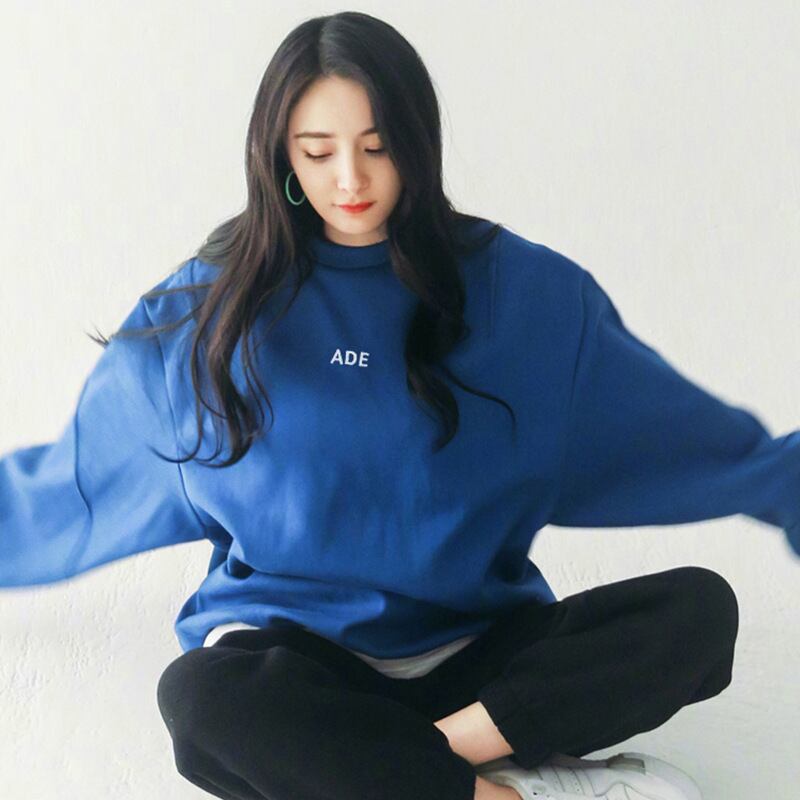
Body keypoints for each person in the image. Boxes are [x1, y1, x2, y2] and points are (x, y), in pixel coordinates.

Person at [1, 10, 797, 800]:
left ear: (418, 143)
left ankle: (409, 769)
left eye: (377, 147)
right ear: (280, 155)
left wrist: (778, 479)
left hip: (478, 660)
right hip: (305, 664)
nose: (350, 180)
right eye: (319, 152)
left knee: (699, 612)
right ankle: (505, 793)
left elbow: (669, 432)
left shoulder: (527, 295)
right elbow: (72, 484)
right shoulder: (208, 312)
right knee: (199, 699)